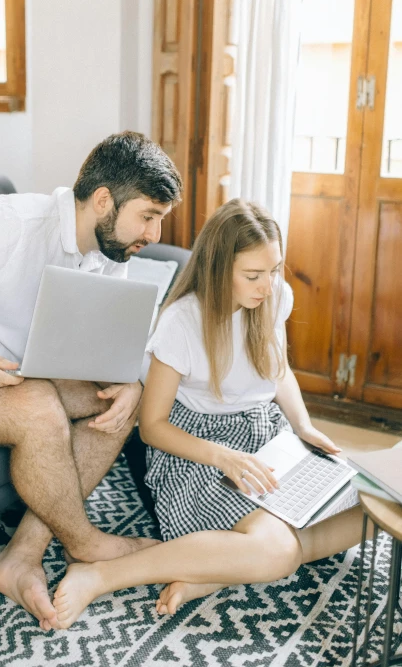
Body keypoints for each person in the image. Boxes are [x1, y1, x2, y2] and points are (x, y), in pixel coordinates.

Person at [0, 131, 182, 632]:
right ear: (104, 201)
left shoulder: (111, 251)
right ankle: (84, 541)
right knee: (40, 407)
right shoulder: (11, 223)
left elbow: (106, 345)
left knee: (117, 401)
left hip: (10, 368)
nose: (151, 233)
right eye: (147, 216)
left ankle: (19, 558)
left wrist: (129, 381)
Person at [49, 198, 368, 629]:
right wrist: (223, 457)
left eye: (274, 271)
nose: (268, 285)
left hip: (267, 439)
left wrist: (304, 425)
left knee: (373, 506)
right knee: (278, 551)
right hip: (198, 452)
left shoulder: (274, 299)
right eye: (254, 275)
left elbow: (279, 372)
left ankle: (214, 569)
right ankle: (101, 575)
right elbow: (152, 428)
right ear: (219, 269)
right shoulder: (183, 321)